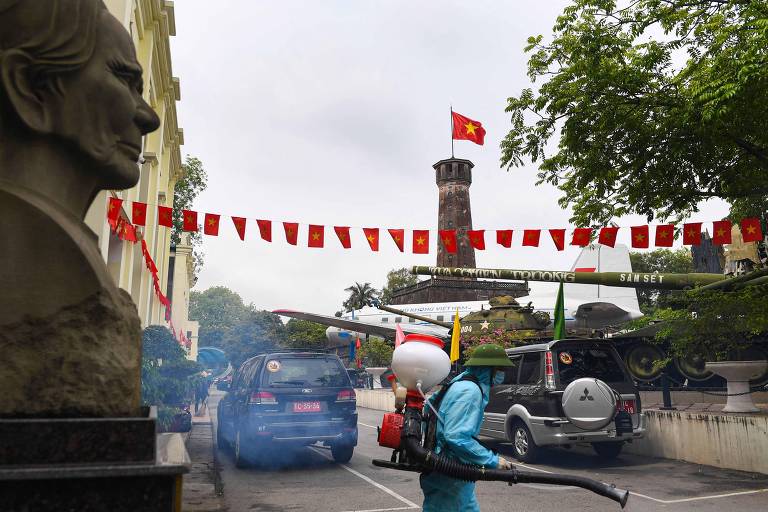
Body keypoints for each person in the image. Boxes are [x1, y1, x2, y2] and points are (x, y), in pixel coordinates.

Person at [420, 344, 516, 512]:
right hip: (449, 473)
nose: (502, 374)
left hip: (453, 472)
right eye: (500, 369)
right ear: (489, 369)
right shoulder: (470, 391)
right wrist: (493, 461)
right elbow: (457, 436)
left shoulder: (460, 382)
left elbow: (429, 407)